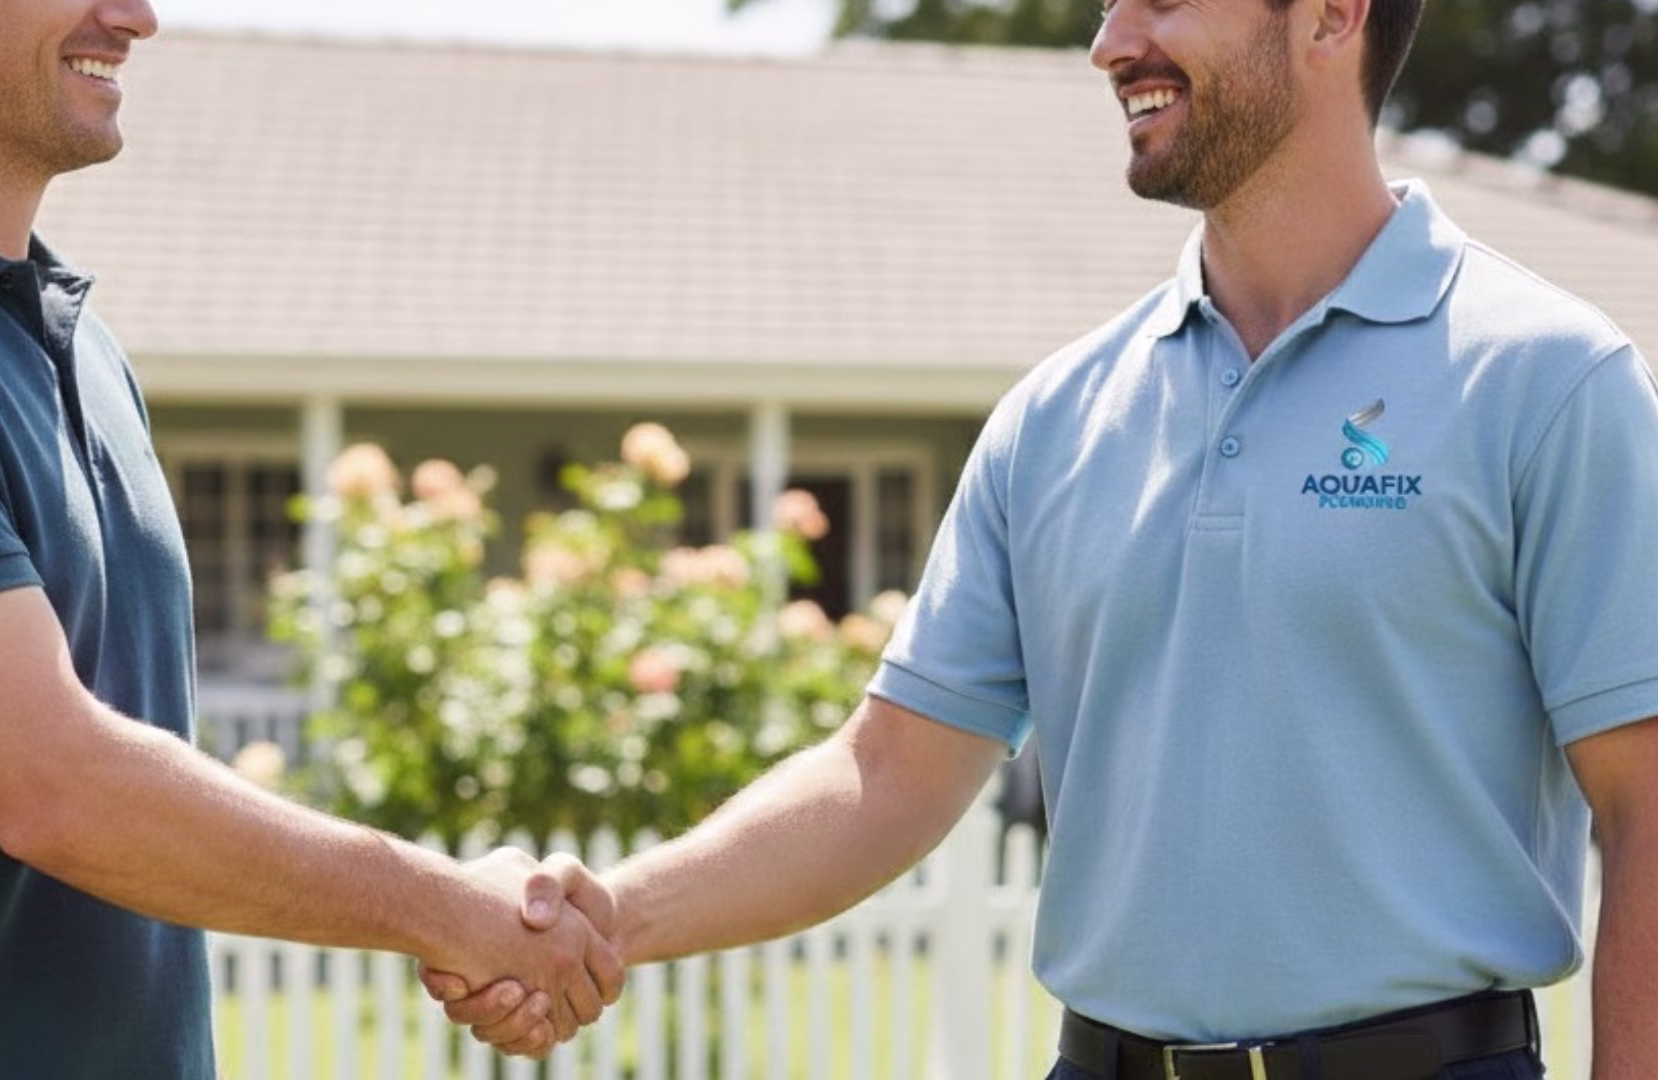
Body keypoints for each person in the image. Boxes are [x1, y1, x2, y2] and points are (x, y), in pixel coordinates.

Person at [424, 0, 1658, 1075]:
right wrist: (610, 916)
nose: (1111, 43)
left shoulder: (1546, 381)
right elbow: (888, 773)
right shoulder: (1058, 416)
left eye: (1164, 0)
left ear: (1332, 15)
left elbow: (1645, 810)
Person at [0, 0, 619, 1074]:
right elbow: (52, 785)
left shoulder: (83, 349)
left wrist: (476, 918)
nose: (138, 15)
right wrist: (450, 909)